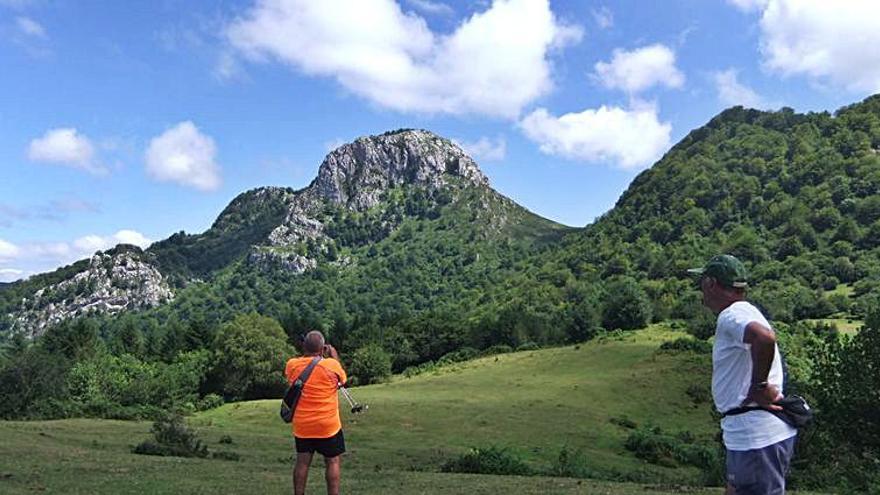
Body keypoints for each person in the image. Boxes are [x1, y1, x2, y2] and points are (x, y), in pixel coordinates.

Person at [689, 254, 797, 495]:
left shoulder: (731, 315)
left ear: (711, 283)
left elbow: (764, 338)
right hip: (749, 433)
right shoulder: (743, 311)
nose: (701, 291)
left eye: (702, 283)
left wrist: (759, 386)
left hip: (755, 434)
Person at [284, 330, 347, 495]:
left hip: (303, 425)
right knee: (332, 461)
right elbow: (342, 379)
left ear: (304, 346)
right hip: (328, 425)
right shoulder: (331, 365)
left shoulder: (292, 364)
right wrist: (333, 355)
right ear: (322, 348)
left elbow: (292, 378)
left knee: (302, 462)